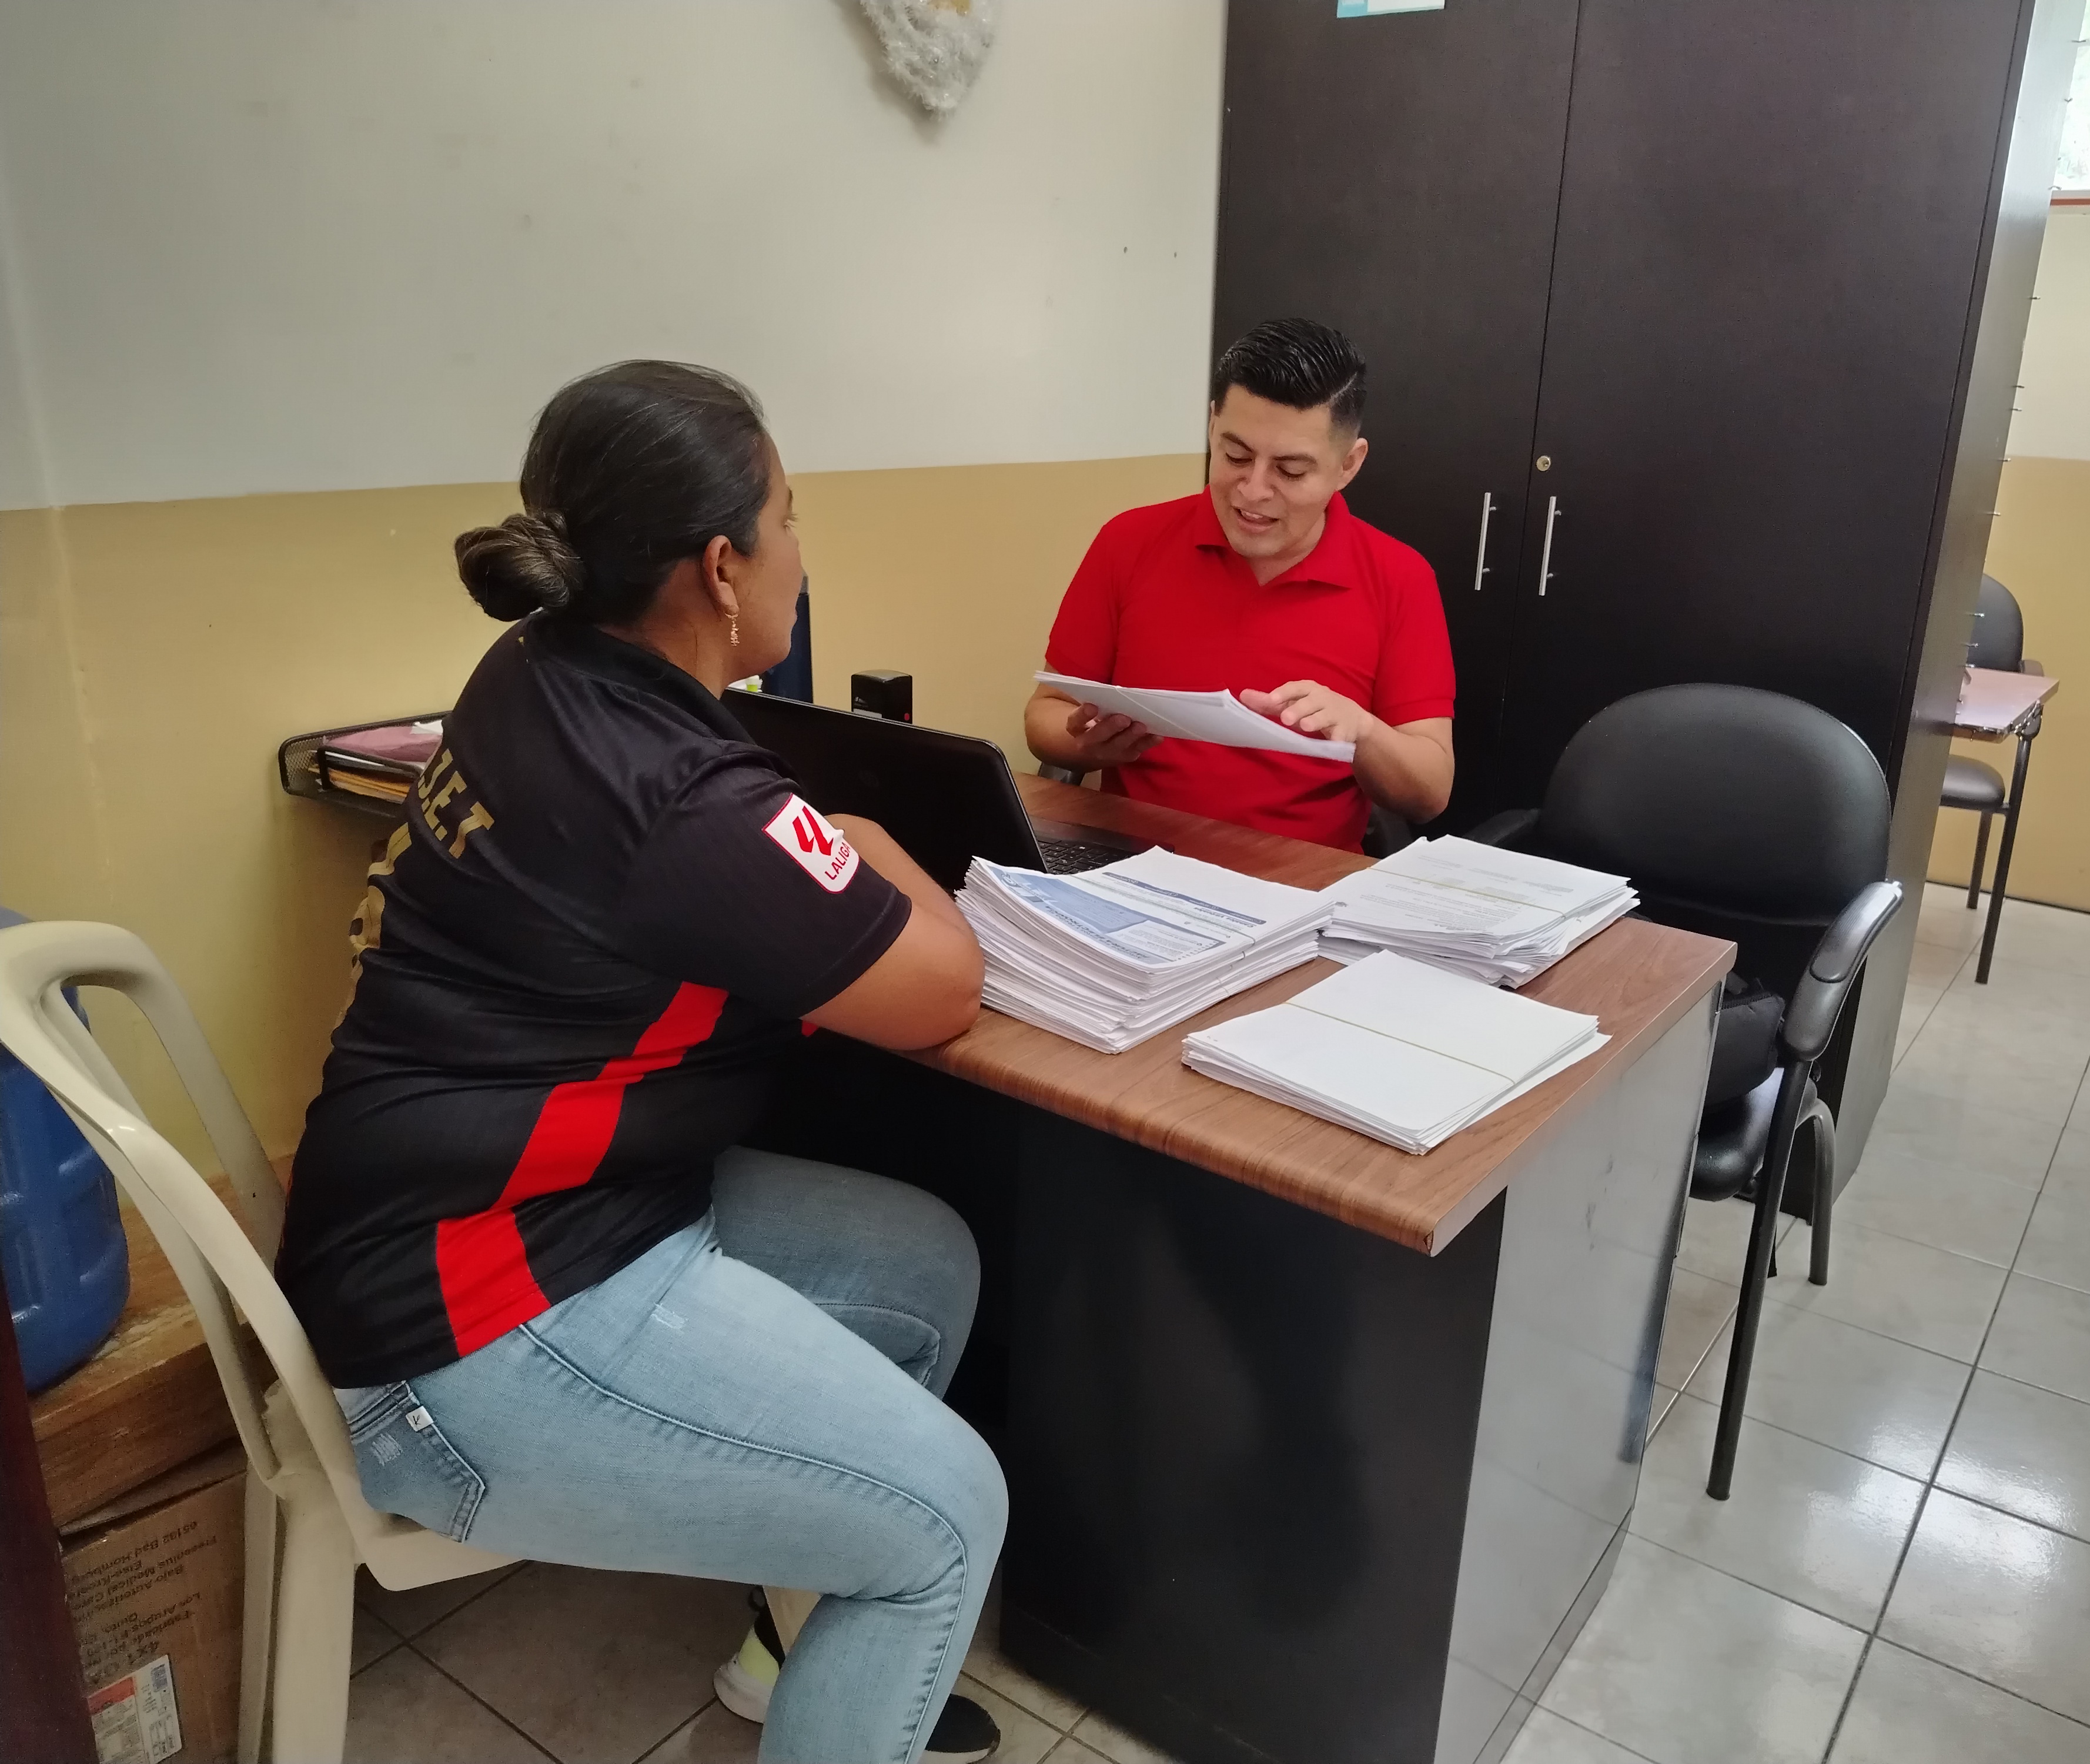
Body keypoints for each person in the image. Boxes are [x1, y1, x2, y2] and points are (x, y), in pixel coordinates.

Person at [273, 362, 1005, 1764]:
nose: (801, 551)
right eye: (789, 519)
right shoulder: (681, 800)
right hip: (460, 1336)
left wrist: (817, 849)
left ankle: (785, 1646)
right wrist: (861, 839)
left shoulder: (534, 667)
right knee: (948, 1519)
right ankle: (877, 1588)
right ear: (722, 569)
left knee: (921, 1265)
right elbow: (942, 989)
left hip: (474, 1215)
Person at [1026, 317, 1456, 852]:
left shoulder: (1399, 578)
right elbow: (1043, 715)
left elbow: (1430, 791)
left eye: (1290, 471)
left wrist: (1364, 732)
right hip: (1132, 866)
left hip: (1301, 881)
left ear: (1348, 465)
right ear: (1212, 426)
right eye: (1235, 456)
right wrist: (1090, 744)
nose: (1253, 491)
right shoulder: (1129, 543)